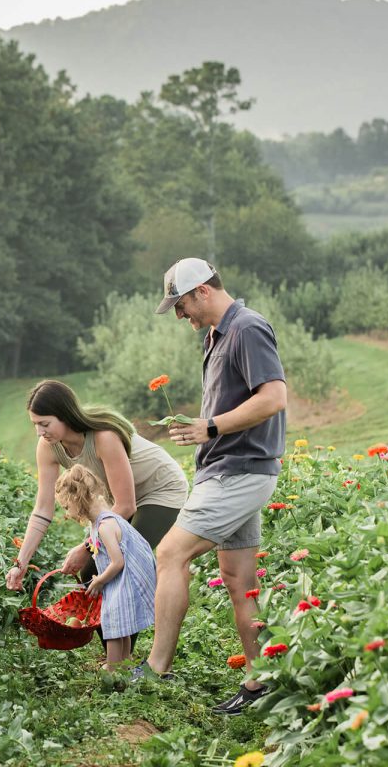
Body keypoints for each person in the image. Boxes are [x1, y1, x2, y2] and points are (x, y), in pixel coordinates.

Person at [137, 257, 287, 716]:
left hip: (240, 471)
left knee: (170, 553)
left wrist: (212, 427)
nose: (180, 316)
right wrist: (205, 432)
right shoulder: (217, 336)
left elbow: (274, 397)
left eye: (180, 305)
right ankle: (261, 682)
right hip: (227, 468)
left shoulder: (247, 329)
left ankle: (155, 668)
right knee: (239, 580)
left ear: (202, 290)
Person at [5, 380, 187, 593]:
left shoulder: (103, 437)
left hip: (160, 490)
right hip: (119, 498)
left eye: (44, 424)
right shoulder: (48, 447)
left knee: (121, 560)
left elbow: (126, 506)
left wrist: (85, 547)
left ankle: (135, 617)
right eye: (35, 424)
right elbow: (43, 509)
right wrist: (21, 563)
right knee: (91, 572)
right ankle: (108, 625)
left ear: (65, 415)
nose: (39, 432)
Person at [54, 465, 156, 668]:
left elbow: (118, 562)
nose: (67, 513)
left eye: (67, 507)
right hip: (120, 581)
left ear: (77, 498)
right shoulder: (99, 523)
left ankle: (112, 669)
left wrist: (99, 580)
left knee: (113, 626)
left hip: (122, 581)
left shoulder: (105, 526)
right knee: (122, 627)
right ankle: (124, 665)